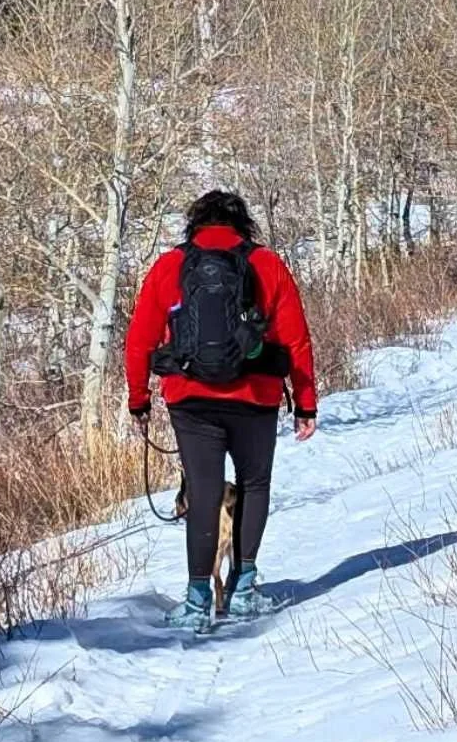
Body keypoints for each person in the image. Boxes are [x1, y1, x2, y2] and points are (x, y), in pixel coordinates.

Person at [125, 188, 318, 630]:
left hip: (190, 399)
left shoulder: (170, 266)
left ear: (195, 223)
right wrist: (305, 403)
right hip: (255, 397)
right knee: (255, 483)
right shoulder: (267, 265)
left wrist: (139, 398)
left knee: (204, 492)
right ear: (242, 223)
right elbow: (296, 339)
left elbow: (140, 340)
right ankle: (244, 588)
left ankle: (196, 601)